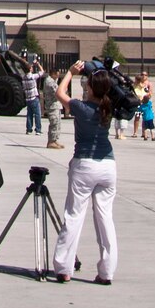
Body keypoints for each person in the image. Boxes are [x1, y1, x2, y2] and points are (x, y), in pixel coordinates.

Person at [51, 63, 118, 285]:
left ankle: (64, 267)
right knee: (104, 217)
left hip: (85, 164)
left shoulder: (82, 108)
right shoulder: (108, 108)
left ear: (89, 87)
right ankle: (107, 271)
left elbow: (59, 93)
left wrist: (70, 72)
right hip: (107, 165)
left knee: (74, 215)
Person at [41, 65, 62, 149]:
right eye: (57, 73)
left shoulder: (53, 80)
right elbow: (57, 91)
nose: (58, 75)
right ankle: (51, 141)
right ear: (53, 73)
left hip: (56, 105)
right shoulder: (49, 81)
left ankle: (55, 140)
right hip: (52, 106)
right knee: (54, 123)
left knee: (57, 123)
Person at [22, 60, 42, 135]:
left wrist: (32, 65)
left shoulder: (23, 77)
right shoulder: (33, 77)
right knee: (37, 114)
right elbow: (42, 72)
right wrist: (38, 64)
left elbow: (28, 70)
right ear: (30, 69)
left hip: (27, 98)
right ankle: (38, 130)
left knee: (29, 114)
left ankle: (29, 129)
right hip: (34, 97)